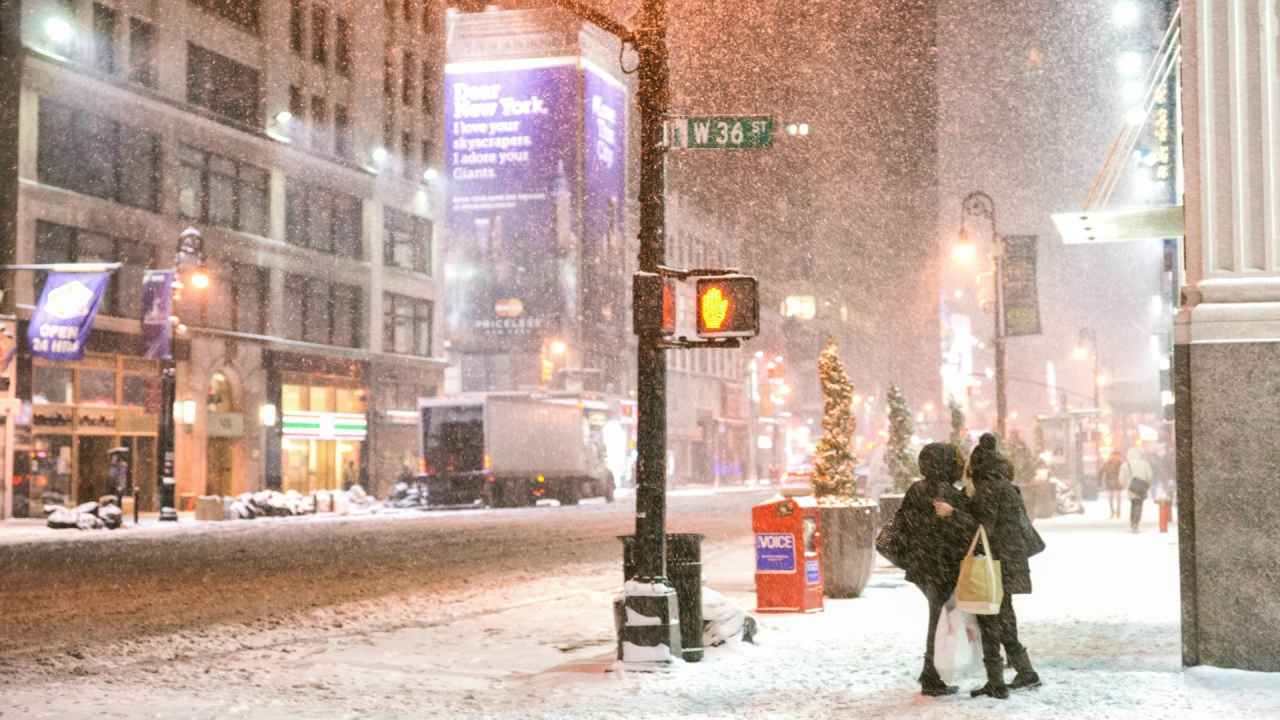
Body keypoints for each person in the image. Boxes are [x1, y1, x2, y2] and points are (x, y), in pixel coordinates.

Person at [945, 433, 1041, 699]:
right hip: (1009, 561)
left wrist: (954, 513)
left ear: (976, 466)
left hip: (995, 564)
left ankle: (996, 682)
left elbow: (983, 527)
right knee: (1005, 617)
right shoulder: (1004, 485)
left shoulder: (988, 488)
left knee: (989, 619)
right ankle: (1025, 671)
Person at [895, 442, 973, 696]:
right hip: (942, 566)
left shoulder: (916, 489)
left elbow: (904, 523)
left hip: (921, 564)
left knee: (936, 616)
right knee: (939, 620)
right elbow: (967, 528)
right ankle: (931, 676)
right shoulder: (950, 494)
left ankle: (929, 671)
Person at [1118, 447, 1153, 533]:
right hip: (1142, 488)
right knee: (1139, 505)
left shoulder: (1125, 465)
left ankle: (1133, 522)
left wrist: (1127, 485)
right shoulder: (1145, 464)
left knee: (1133, 504)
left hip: (1132, 488)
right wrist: (1147, 485)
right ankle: (1136, 522)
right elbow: (1150, 476)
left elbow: (1121, 479)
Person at [1098, 451, 1124, 519]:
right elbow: (1124, 472)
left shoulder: (1108, 462)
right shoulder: (1121, 463)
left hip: (1110, 481)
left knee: (1110, 497)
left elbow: (1101, 471)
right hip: (1118, 481)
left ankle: (1112, 510)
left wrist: (1099, 481)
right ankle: (1118, 512)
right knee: (1118, 497)